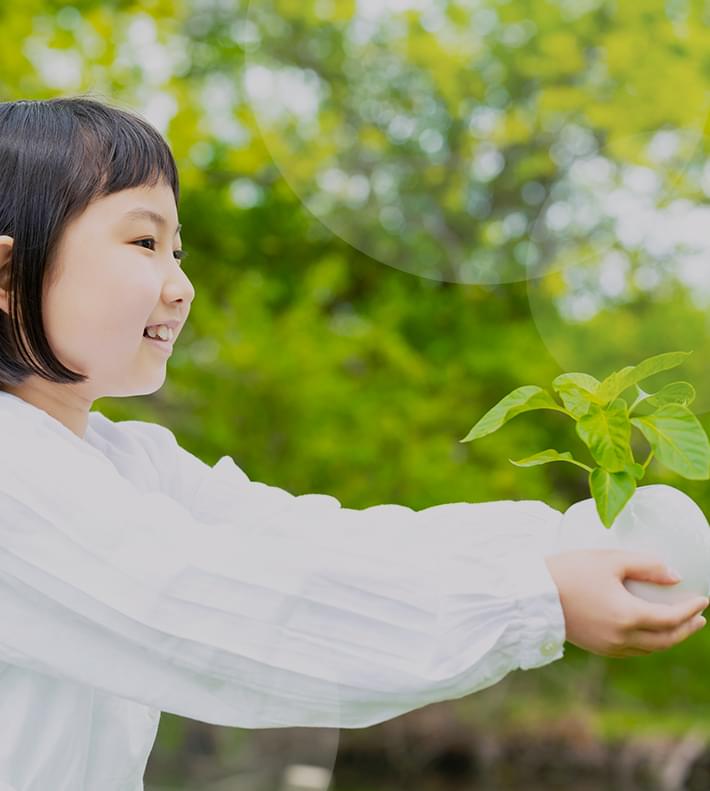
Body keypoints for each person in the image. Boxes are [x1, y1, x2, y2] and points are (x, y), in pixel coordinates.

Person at [0, 95, 705, 791]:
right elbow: (222, 610)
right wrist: (533, 601)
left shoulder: (129, 462)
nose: (181, 286)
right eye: (144, 241)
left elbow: (315, 541)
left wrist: (555, 546)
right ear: (6, 277)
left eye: (178, 250)